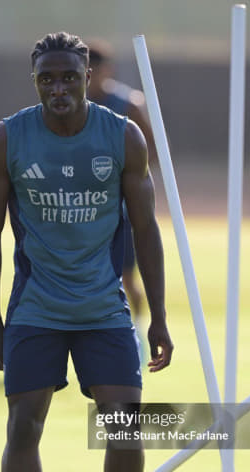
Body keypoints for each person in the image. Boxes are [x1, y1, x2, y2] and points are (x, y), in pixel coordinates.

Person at [0, 32, 173, 472]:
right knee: (23, 428)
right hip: (35, 308)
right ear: (34, 81)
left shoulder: (123, 135)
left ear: (88, 76)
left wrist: (158, 316)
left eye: (69, 77)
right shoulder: (6, 138)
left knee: (124, 428)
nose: (58, 88)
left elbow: (146, 228)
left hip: (102, 307)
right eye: (47, 79)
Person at [87, 40, 157, 359]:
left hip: (121, 208)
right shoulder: (70, 106)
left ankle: (137, 335)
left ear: (107, 70)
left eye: (94, 70)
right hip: (83, 208)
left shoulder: (128, 104)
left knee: (127, 277)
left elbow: (152, 151)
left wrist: (122, 172)